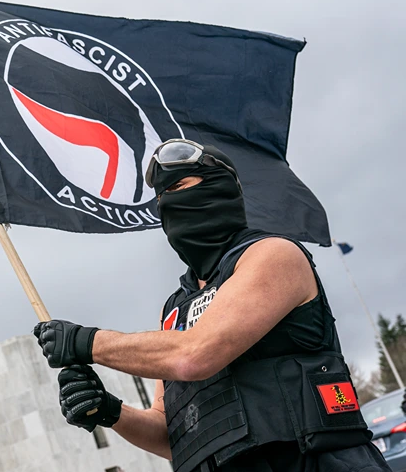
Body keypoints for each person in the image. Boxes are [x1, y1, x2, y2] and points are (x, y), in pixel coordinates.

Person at [34, 139, 390, 472]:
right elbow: (170, 434)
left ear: (220, 189)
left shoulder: (272, 255)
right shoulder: (174, 310)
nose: (167, 204)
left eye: (178, 188)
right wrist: (110, 411)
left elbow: (195, 354)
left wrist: (86, 343)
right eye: (162, 197)